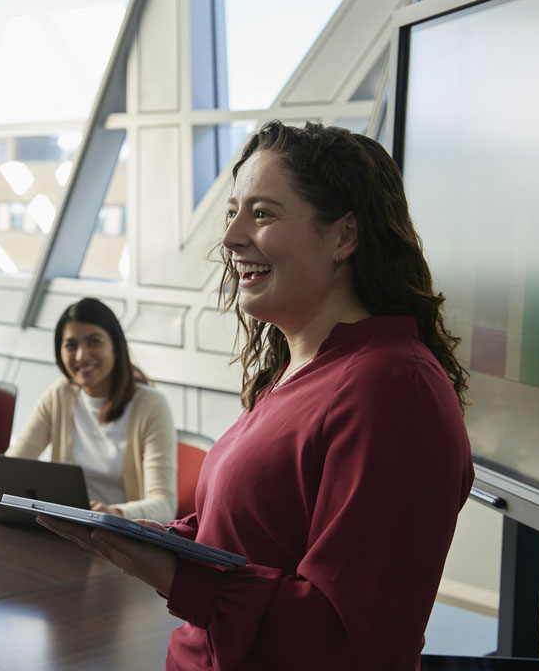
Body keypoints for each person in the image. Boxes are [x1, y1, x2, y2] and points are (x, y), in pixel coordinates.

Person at [40, 121, 474, 670]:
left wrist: (175, 572)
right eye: (232, 212)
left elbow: (347, 638)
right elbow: (258, 531)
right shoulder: (295, 370)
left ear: (344, 236)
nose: (230, 237)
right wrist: (165, 541)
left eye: (263, 213)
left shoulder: (394, 390)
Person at [7, 298, 177, 523]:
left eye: (94, 342)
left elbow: (164, 505)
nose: (81, 356)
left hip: (119, 538)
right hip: (67, 530)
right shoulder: (59, 395)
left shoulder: (151, 406)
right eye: (71, 345)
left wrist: (116, 514)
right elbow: (11, 467)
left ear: (116, 348)